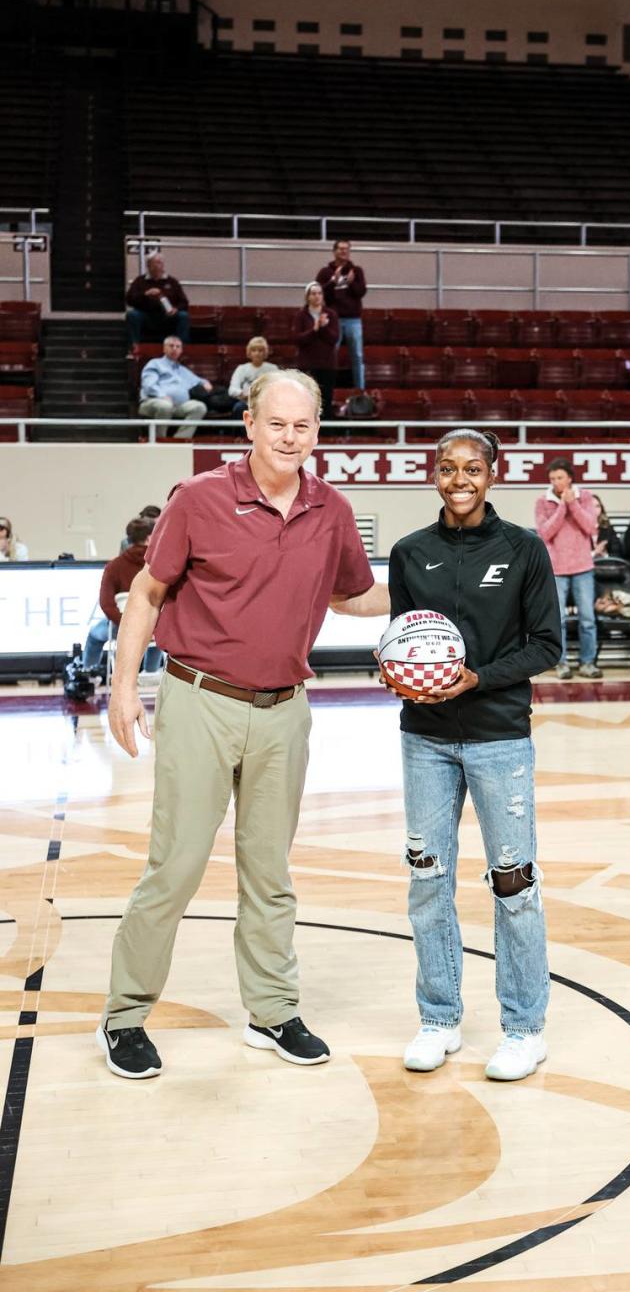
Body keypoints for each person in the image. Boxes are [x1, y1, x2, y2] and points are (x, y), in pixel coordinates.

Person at [98, 369, 389, 1080]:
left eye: (304, 426)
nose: (291, 437)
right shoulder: (199, 499)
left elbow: (351, 597)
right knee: (176, 867)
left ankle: (273, 1011)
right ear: (250, 425)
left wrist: (431, 586)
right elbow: (148, 589)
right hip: (200, 700)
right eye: (278, 424)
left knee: (271, 873)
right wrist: (123, 685)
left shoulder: (333, 509)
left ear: (318, 431)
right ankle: (126, 1015)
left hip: (285, 709)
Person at [386, 428, 560, 1083]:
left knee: (513, 884)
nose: (459, 479)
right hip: (424, 738)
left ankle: (524, 1028)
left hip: (498, 737)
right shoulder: (410, 553)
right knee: (427, 881)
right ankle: (439, 1018)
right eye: (448, 468)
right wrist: (398, 671)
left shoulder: (523, 549)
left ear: (493, 474)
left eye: (472, 469)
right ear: (435, 473)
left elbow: (547, 646)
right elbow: (403, 638)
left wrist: (478, 677)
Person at [535, 458, 601, 680]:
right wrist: (563, 506)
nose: (556, 482)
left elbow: (590, 526)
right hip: (556, 569)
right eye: (552, 478)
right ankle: (561, 663)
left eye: (560, 477)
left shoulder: (586, 496)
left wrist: (573, 503)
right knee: (558, 621)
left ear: (570, 478)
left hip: (583, 566)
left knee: (588, 619)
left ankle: (588, 663)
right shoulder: (543, 501)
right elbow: (544, 533)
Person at [82, 517, 163, 675]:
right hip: (153, 626)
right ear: (150, 538)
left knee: (94, 636)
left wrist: (126, 623)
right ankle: (151, 671)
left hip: (121, 627)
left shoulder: (114, 566)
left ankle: (87, 674)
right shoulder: (159, 565)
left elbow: (106, 604)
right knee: (159, 626)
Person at [138, 335, 210, 440]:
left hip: (178, 405)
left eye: (178, 346)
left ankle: (179, 440)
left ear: (181, 350)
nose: (174, 349)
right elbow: (148, 385)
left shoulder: (182, 370)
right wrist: (162, 396)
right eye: (171, 346)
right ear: (164, 348)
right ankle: (159, 439)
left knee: (199, 407)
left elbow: (198, 380)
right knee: (165, 406)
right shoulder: (155, 364)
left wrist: (205, 383)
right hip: (152, 402)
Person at [319, 239, 367, 391]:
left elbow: (361, 292)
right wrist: (333, 281)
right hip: (334, 319)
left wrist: (352, 282)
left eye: (346, 249)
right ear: (334, 251)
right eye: (340, 249)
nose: (343, 252)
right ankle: (327, 388)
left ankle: (360, 390)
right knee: (330, 355)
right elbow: (319, 293)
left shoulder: (356, 271)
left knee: (358, 356)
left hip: (353, 320)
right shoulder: (325, 272)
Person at [125, 253, 191, 351]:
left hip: (167, 317)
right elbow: (129, 300)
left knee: (183, 316)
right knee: (132, 315)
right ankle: (134, 346)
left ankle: (182, 347)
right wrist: (145, 295)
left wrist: (175, 309)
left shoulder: (172, 281)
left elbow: (184, 302)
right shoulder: (140, 281)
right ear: (149, 265)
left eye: (160, 263)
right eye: (156, 263)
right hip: (146, 315)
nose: (159, 266)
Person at [295, 282, 340, 420]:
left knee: (325, 400)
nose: (317, 296)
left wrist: (324, 327)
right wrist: (314, 330)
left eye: (319, 293)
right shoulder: (301, 315)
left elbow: (334, 338)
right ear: (307, 297)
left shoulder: (331, 314)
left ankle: (326, 434)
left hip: (327, 365)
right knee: (306, 401)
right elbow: (298, 339)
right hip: (307, 365)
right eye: (313, 293)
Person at [228, 336, 279, 416]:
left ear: (265, 352)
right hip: (246, 402)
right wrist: (242, 394)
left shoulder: (273, 368)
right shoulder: (241, 368)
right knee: (239, 408)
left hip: (267, 402)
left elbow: (278, 388)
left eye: (260, 350)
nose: (257, 353)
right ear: (249, 352)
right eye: (254, 350)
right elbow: (232, 389)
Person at [593, 495, 625, 560]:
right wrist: (594, 553)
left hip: (605, 566)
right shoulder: (577, 529)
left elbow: (617, 552)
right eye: (590, 506)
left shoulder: (607, 528)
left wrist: (605, 555)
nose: (594, 510)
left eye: (597, 506)